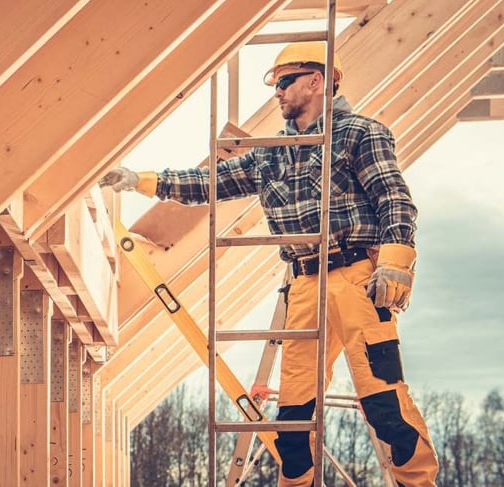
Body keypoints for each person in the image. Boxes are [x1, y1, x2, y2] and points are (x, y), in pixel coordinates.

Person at [100, 41, 438, 486]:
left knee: (383, 403)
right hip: (303, 286)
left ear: (317, 81)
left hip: (357, 278)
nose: (276, 92)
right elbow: (209, 183)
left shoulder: (360, 133)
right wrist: (144, 181)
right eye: (275, 84)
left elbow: (394, 199)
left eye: (284, 81)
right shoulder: (271, 154)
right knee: (293, 417)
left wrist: (396, 260)